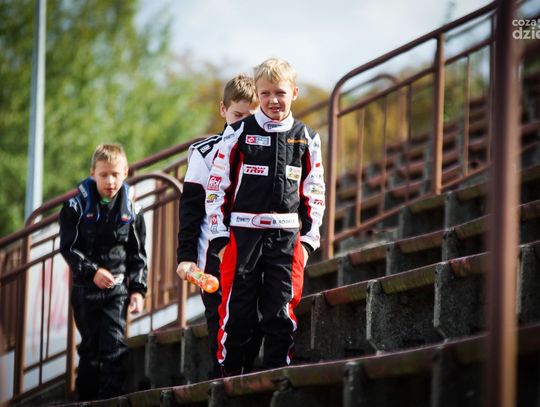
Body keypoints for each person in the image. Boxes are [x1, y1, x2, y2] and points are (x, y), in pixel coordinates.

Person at [205, 58, 326, 375]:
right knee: (237, 315)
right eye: (266, 93)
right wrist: (220, 239)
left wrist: (307, 243)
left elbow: (315, 192)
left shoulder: (308, 137)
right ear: (257, 94)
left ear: (294, 93)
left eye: (280, 93)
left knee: (280, 314)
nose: (273, 100)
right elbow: (216, 187)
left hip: (286, 241)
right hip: (241, 238)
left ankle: (276, 380)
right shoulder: (237, 133)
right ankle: (228, 380)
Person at [175, 74, 259, 378]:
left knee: (252, 322)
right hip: (212, 252)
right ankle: (222, 385)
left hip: (253, 249)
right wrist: (185, 257)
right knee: (220, 323)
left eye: (251, 117)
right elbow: (190, 209)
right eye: (238, 116)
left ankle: (245, 380)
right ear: (223, 109)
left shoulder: (267, 149)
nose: (243, 124)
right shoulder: (204, 152)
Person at [59, 143, 147, 401]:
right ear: (92, 174)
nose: (110, 181)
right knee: (90, 351)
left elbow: (138, 255)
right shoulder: (74, 207)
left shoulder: (133, 210)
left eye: (115, 174)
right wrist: (92, 272)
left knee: (114, 348)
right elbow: (68, 248)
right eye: (104, 174)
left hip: (116, 291)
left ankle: (112, 401)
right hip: (85, 291)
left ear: (125, 173)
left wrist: (138, 290)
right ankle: (85, 401)